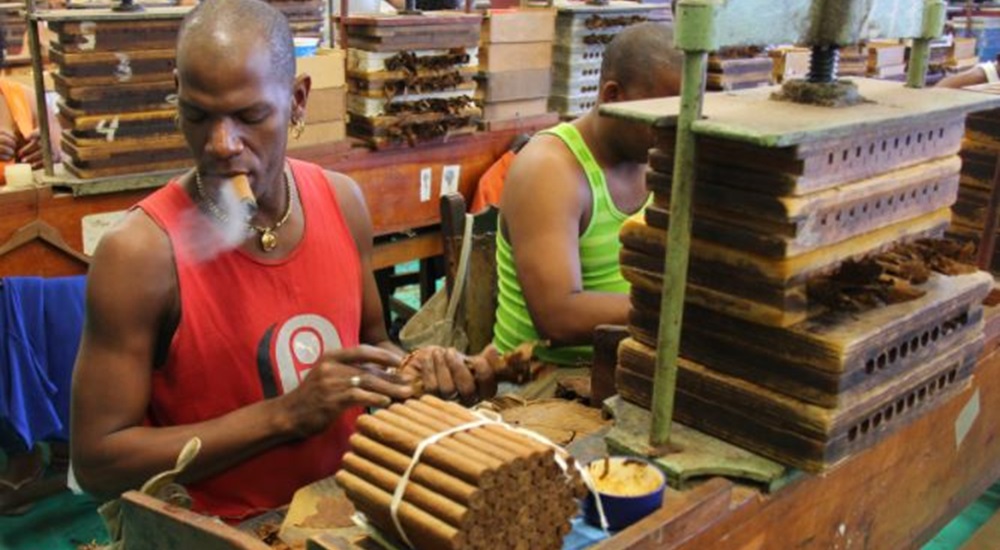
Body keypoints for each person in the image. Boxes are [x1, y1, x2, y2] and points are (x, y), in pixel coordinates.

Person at [70, 0, 493, 523]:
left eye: (250, 117)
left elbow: (371, 342)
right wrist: (284, 416)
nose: (222, 145)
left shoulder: (340, 202)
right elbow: (97, 462)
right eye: (198, 116)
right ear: (176, 93)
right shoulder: (140, 254)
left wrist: (413, 369)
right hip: (221, 531)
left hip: (348, 510)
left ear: (296, 101)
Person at [493, 22, 682, 366]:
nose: (675, 133)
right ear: (612, 96)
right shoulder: (549, 170)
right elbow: (558, 317)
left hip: (628, 358)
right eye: (662, 117)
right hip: (545, 380)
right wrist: (683, 310)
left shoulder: (658, 156)